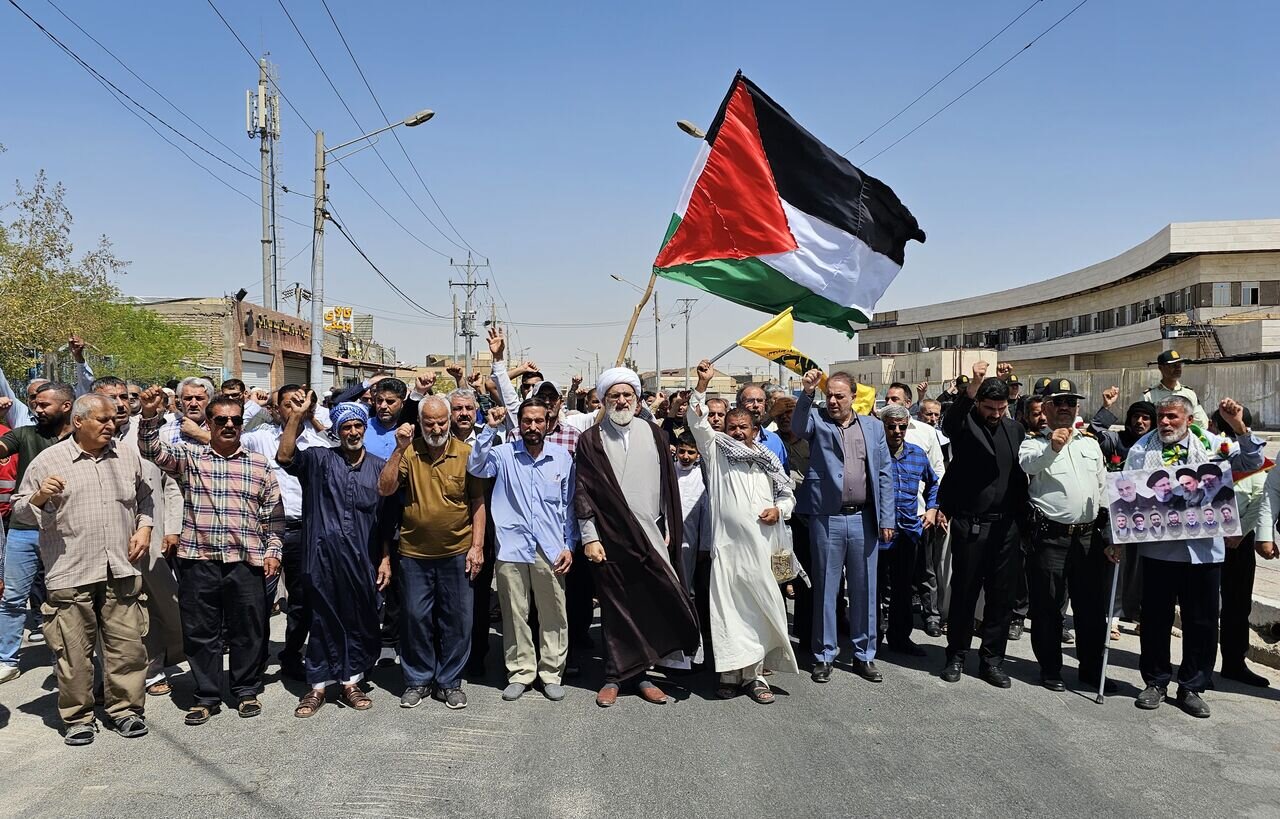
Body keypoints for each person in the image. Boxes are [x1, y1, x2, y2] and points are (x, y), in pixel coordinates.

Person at [11, 394, 153, 745]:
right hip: (70, 571)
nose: (111, 425)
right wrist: (39, 496)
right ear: (78, 422)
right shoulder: (49, 461)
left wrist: (145, 528)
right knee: (73, 653)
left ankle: (126, 711)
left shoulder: (126, 456)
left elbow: (145, 498)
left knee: (127, 648)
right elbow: (19, 512)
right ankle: (78, 717)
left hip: (120, 567)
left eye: (114, 419)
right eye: (103, 419)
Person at [137, 386, 284, 725]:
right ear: (210, 422)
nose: (229, 425)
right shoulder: (190, 459)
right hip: (198, 560)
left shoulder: (259, 465)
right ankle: (206, 695)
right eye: (221, 420)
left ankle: (245, 689)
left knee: (248, 630)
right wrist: (148, 414)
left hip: (246, 562)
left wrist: (273, 551)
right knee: (201, 632)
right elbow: (150, 449)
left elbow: (273, 516)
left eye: (235, 420)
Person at [1125, 394, 1260, 718]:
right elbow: (1126, 493)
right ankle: (1155, 681)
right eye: (1161, 416)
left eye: (1172, 417)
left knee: (1201, 622)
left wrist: (1239, 427)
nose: (1164, 422)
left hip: (1203, 552)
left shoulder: (1213, 444)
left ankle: (1192, 686)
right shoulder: (1142, 450)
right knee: (1155, 620)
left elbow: (1252, 463)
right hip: (1159, 550)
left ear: (1188, 419)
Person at [574, 367, 700, 707]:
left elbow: (668, 487)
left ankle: (643, 673)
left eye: (627, 395)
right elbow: (583, 492)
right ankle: (614, 676)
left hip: (651, 536)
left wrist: (670, 527)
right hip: (609, 538)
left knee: (648, 603)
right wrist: (589, 537)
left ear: (637, 399)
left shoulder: (655, 433)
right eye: (614, 395)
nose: (621, 401)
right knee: (615, 609)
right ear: (604, 400)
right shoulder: (590, 440)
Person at [276, 398, 394, 717]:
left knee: (359, 618)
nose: (353, 432)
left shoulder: (379, 466)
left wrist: (385, 558)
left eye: (358, 426)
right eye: (346, 427)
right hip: (321, 555)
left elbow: (386, 519)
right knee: (321, 619)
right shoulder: (319, 459)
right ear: (338, 431)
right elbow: (285, 456)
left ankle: (350, 681)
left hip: (362, 558)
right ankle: (317, 686)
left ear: (365, 428)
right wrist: (296, 418)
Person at [690, 360, 798, 703]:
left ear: (754, 430)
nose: (737, 432)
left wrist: (778, 510)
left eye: (743, 428)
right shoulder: (716, 451)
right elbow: (696, 420)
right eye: (732, 427)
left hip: (762, 551)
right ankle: (729, 675)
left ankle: (755, 677)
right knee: (729, 613)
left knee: (759, 613)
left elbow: (787, 495)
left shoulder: (768, 459)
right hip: (727, 551)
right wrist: (702, 384)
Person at [378, 396, 486, 711]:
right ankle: (418, 679)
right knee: (415, 618)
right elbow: (385, 488)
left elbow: (478, 502)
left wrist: (477, 546)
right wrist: (398, 449)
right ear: (419, 423)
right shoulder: (409, 453)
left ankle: (450, 682)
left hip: (457, 552)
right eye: (429, 423)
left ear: (449, 420)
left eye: (441, 422)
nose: (436, 429)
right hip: (415, 554)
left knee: (458, 620)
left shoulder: (466, 454)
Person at [791, 370, 895, 684]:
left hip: (864, 518)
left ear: (853, 396)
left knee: (865, 589)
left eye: (840, 396)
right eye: (829, 396)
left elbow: (884, 473)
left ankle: (864, 655)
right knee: (826, 588)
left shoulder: (873, 427)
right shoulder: (817, 420)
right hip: (827, 518)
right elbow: (798, 427)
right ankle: (824, 654)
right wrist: (807, 393)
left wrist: (886, 518)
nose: (833, 401)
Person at [467, 400, 574, 702]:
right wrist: (489, 429)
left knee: (553, 612)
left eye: (539, 421)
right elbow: (475, 466)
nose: (533, 427)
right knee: (515, 613)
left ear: (548, 423)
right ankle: (520, 672)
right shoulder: (503, 454)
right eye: (527, 421)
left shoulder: (561, 457)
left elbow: (568, 505)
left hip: (551, 549)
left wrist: (569, 544)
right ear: (519, 423)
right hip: (512, 547)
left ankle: (551, 672)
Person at [1019, 380, 1115, 693]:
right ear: (1045, 407)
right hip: (1051, 538)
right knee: (1048, 606)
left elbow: (1103, 487)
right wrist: (1053, 447)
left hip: (1088, 537)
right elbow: (1029, 465)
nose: (1065, 408)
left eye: (1070, 403)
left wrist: (1109, 534)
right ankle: (1050, 669)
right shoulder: (1033, 442)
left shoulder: (1090, 443)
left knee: (1091, 608)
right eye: (1058, 402)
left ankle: (1092, 671)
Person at [938, 362, 1027, 688]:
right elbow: (951, 422)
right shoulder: (965, 425)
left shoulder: (1014, 430)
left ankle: (992, 661)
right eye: (989, 408)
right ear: (978, 404)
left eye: (1001, 408)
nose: (995, 414)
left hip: (1005, 528)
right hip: (971, 526)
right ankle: (956, 656)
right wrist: (973, 384)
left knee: (1001, 598)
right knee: (964, 594)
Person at [94, 376, 184, 697]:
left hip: (151, 537)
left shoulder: (146, 433)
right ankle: (112, 677)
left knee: (159, 605)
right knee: (110, 610)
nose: (121, 404)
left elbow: (171, 484)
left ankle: (154, 669)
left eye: (124, 397)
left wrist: (171, 528)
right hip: (105, 541)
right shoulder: (86, 439)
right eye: (112, 398)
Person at [240, 384, 335, 680]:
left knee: (301, 600)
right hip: (264, 530)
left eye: (300, 402)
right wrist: (252, 405)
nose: (295, 408)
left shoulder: (319, 442)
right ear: (275, 409)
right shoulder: (259, 439)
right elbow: (224, 435)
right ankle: (255, 659)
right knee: (257, 599)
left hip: (303, 530)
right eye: (288, 404)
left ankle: (292, 654)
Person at [0, 381, 75, 684]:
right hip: (24, 530)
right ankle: (7, 659)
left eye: (45, 404)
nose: (37, 408)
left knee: (64, 598)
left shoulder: (81, 440)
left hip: (65, 532)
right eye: (35, 403)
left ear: (66, 406)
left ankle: (65, 660)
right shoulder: (24, 434)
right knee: (13, 598)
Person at [877, 404, 939, 656]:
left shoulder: (917, 454)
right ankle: (872, 637)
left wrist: (932, 509)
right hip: (879, 532)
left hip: (908, 531)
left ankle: (900, 637)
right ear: (883, 427)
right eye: (891, 426)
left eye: (901, 427)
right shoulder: (874, 453)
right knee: (876, 587)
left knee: (903, 588)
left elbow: (934, 483)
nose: (897, 431)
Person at [1142, 349, 1209, 429]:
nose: (1178, 368)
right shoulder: (1149, 396)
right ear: (1161, 368)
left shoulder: (1189, 394)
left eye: (1179, 365)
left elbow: (1201, 423)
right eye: (1173, 365)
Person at [736, 383, 788, 469]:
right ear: (739, 405)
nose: (756, 405)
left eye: (760, 401)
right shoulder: (728, 440)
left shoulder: (774, 441)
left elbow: (784, 474)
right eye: (750, 401)